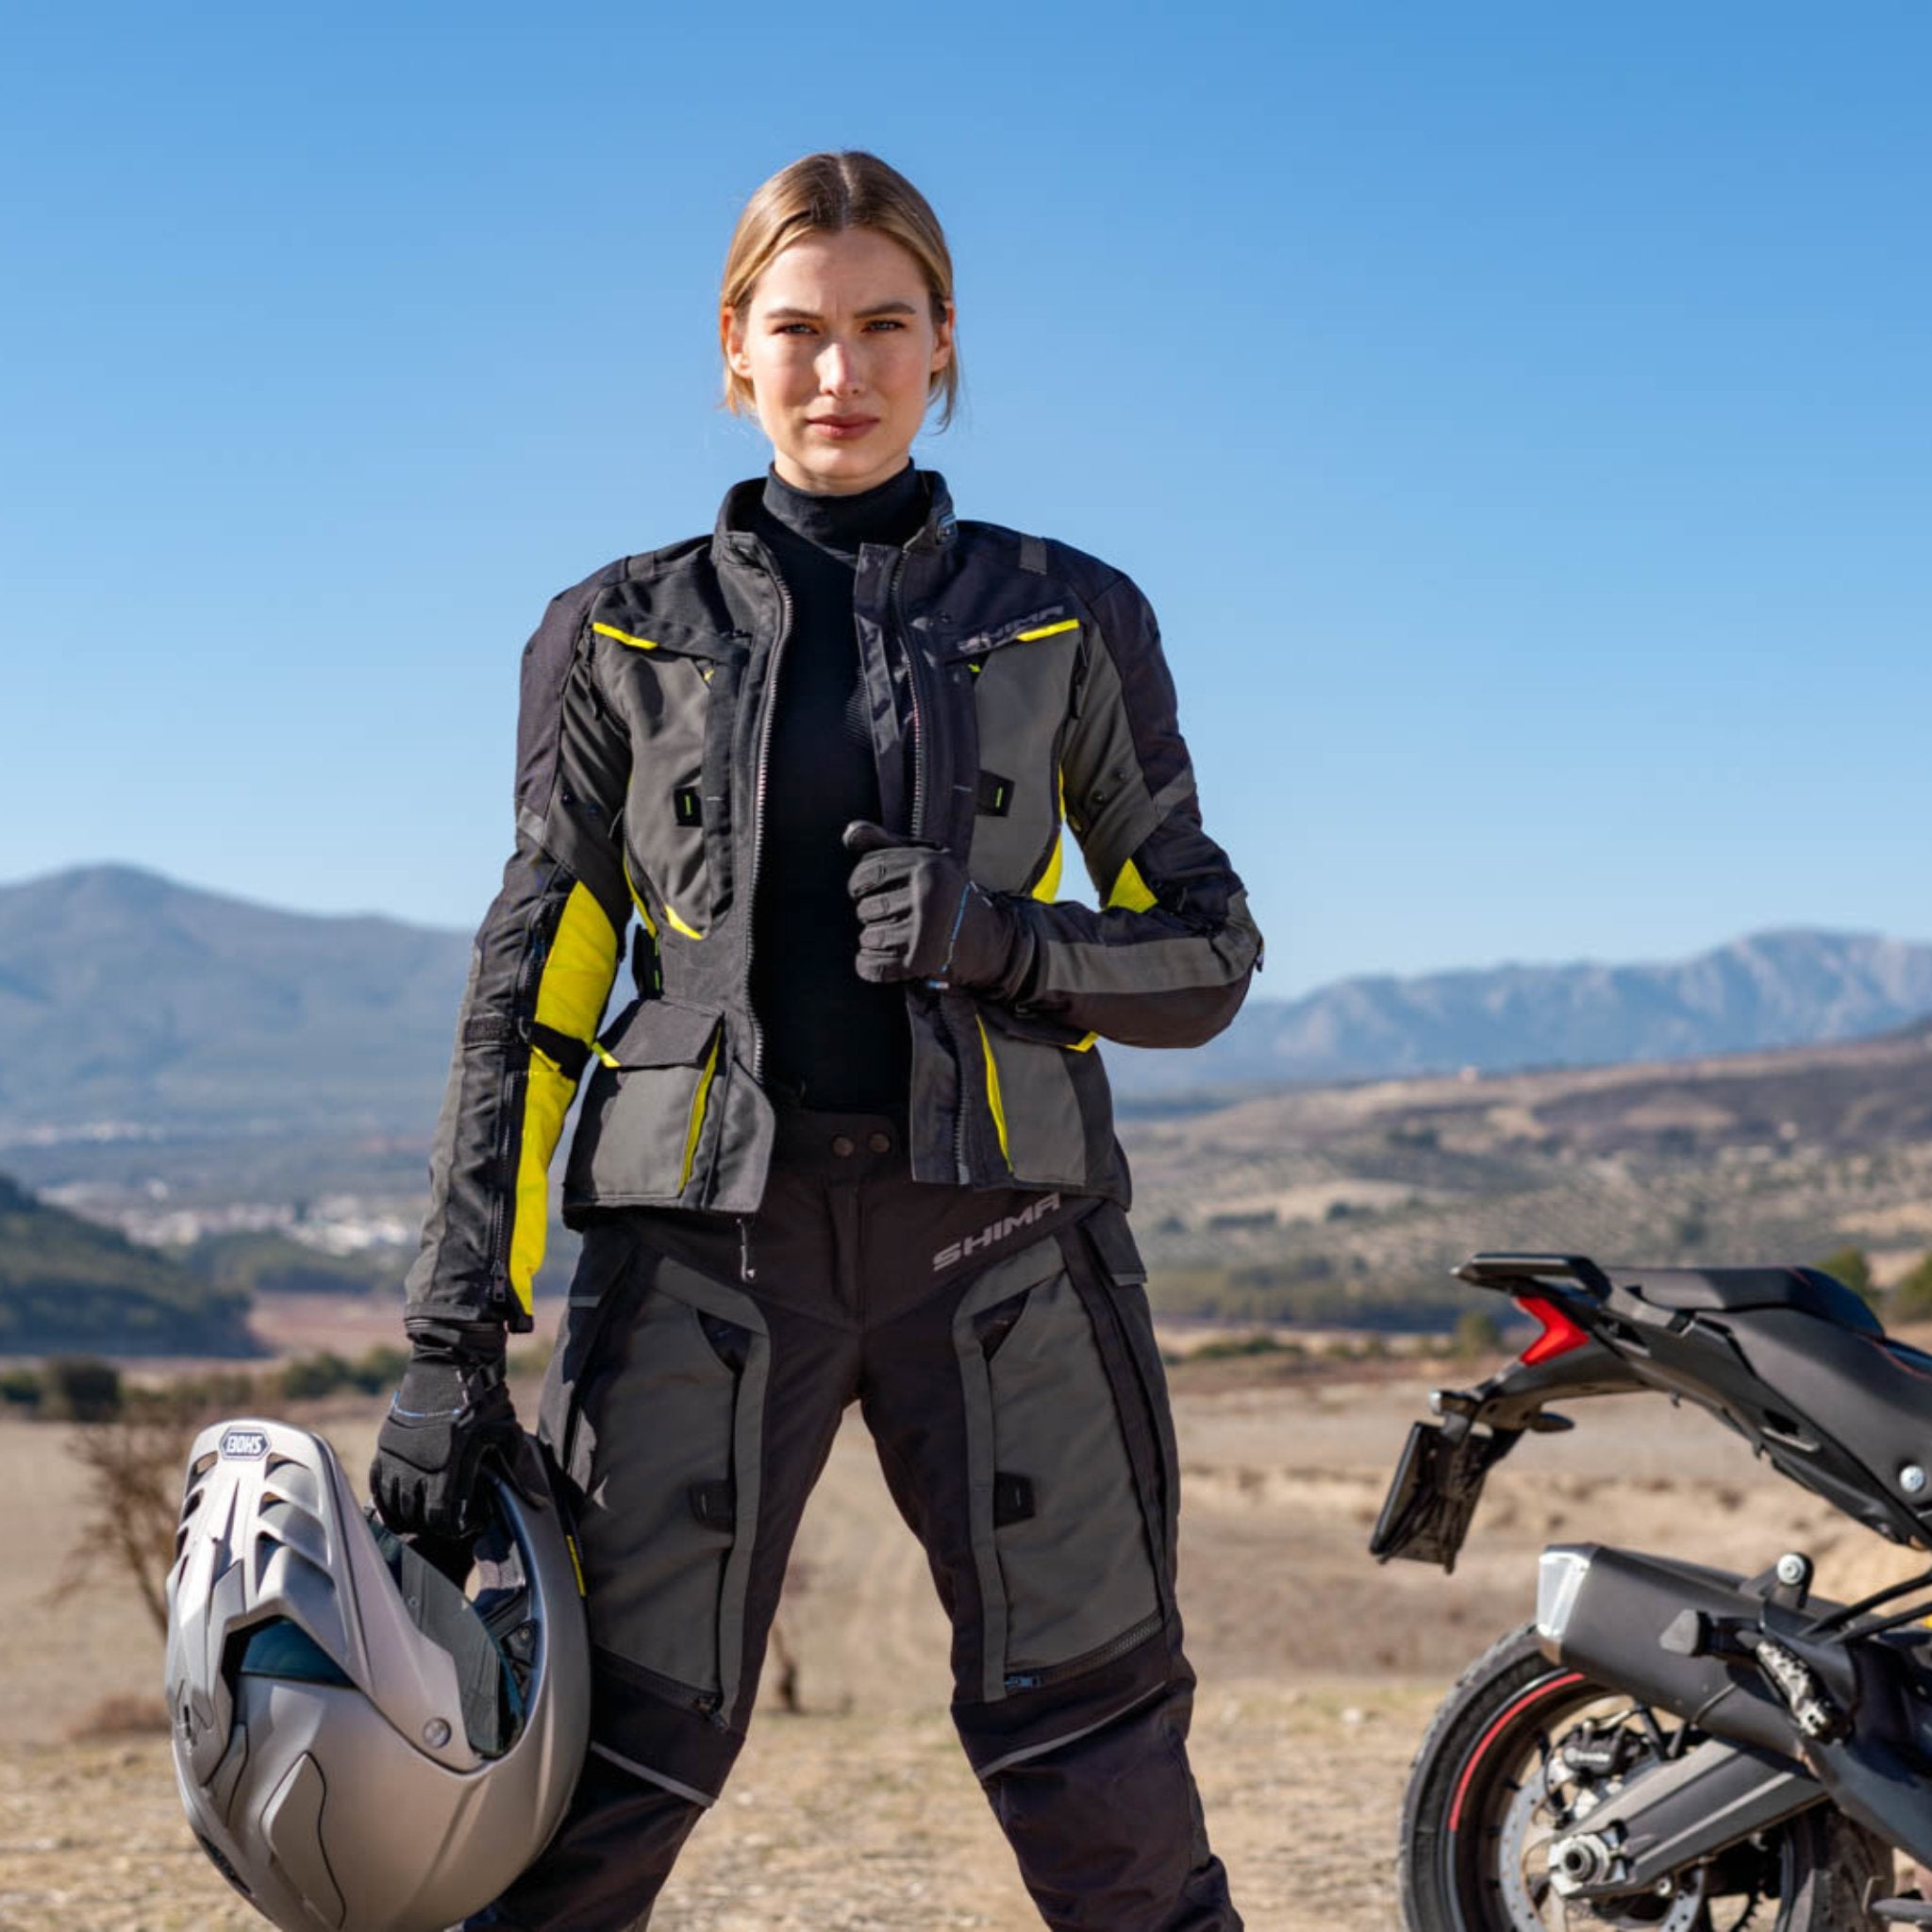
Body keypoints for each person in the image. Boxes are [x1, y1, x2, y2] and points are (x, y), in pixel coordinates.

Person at [371, 149, 1262, 1932]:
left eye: (882, 327)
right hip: (704, 1259)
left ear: (944, 350)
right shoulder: (618, 627)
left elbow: (1209, 954)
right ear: (731, 349)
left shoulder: (1070, 612)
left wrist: (995, 939)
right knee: (591, 1787)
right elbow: (533, 994)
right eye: (798, 330)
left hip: (1006, 1249)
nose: (837, 372)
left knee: (1107, 1784)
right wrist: (451, 1327)